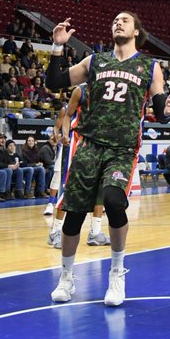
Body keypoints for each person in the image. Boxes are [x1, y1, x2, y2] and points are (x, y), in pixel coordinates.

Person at [44, 11, 170, 306]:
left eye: (125, 20)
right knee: (75, 214)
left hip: (122, 147)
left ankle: (117, 273)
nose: (118, 22)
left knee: (115, 201)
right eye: (115, 20)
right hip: (88, 145)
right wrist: (57, 47)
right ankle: (66, 277)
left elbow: (161, 111)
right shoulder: (95, 61)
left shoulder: (149, 66)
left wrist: (168, 111)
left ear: (136, 31)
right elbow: (54, 81)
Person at [47, 84, 109, 248]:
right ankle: (55, 231)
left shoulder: (109, 91)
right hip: (78, 143)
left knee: (99, 190)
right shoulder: (80, 92)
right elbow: (66, 117)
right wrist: (63, 135)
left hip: (98, 144)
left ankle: (95, 232)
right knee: (69, 188)